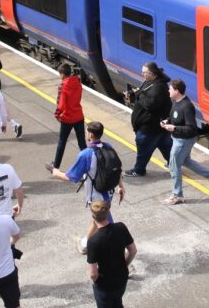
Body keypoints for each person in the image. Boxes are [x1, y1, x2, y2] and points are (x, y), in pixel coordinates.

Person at [49, 121, 126, 255]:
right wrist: (120, 186)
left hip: (97, 196)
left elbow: (71, 177)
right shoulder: (108, 147)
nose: (85, 133)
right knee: (96, 219)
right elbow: (117, 169)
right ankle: (84, 244)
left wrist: (56, 173)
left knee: (107, 225)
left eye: (86, 131)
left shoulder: (86, 154)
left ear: (90, 134)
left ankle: (123, 255)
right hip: (109, 192)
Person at [161, 79, 209, 206]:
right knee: (186, 161)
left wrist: (174, 128)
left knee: (174, 166)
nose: (168, 90)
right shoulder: (176, 102)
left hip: (183, 140)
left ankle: (177, 195)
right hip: (179, 139)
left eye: (170, 89)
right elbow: (174, 117)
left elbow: (192, 128)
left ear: (176, 91)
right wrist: (167, 121)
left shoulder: (187, 106)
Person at [124, 62, 172, 178]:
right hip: (158, 127)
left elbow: (150, 104)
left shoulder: (158, 87)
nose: (142, 74)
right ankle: (174, 164)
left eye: (144, 72)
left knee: (143, 150)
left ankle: (139, 170)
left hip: (150, 127)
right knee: (166, 146)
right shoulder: (150, 82)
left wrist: (138, 95)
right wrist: (133, 93)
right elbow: (144, 92)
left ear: (152, 73)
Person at [86, 199, 136, 308]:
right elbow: (133, 250)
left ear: (93, 217)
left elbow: (93, 273)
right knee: (117, 302)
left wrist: (96, 281)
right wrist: (125, 264)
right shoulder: (121, 227)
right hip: (122, 279)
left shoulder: (93, 241)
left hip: (105, 286)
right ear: (108, 213)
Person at [53, 62, 86, 169]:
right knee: (82, 143)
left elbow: (61, 104)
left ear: (62, 74)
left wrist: (57, 115)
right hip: (79, 116)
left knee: (62, 142)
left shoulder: (63, 85)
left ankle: (56, 166)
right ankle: (88, 164)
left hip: (67, 118)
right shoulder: (78, 82)